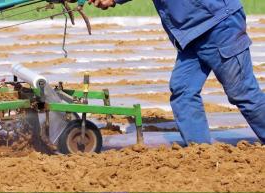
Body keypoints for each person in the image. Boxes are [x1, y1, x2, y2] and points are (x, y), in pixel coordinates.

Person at [89, 0, 265, 145]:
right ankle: (200, 151)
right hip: (193, 32)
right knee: (183, 90)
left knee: (242, 92)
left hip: (217, 24)